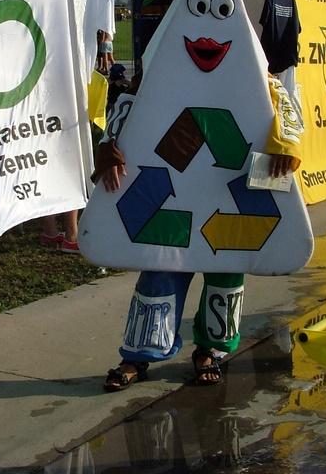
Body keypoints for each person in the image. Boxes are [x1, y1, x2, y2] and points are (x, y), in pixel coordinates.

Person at [95, 73, 301, 391]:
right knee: (160, 271)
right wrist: (108, 147)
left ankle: (210, 351)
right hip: (173, 189)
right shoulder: (162, 61)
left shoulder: (253, 67)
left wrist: (286, 145)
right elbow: (128, 102)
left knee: (225, 273)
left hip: (227, 189)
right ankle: (137, 356)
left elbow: (286, 105)